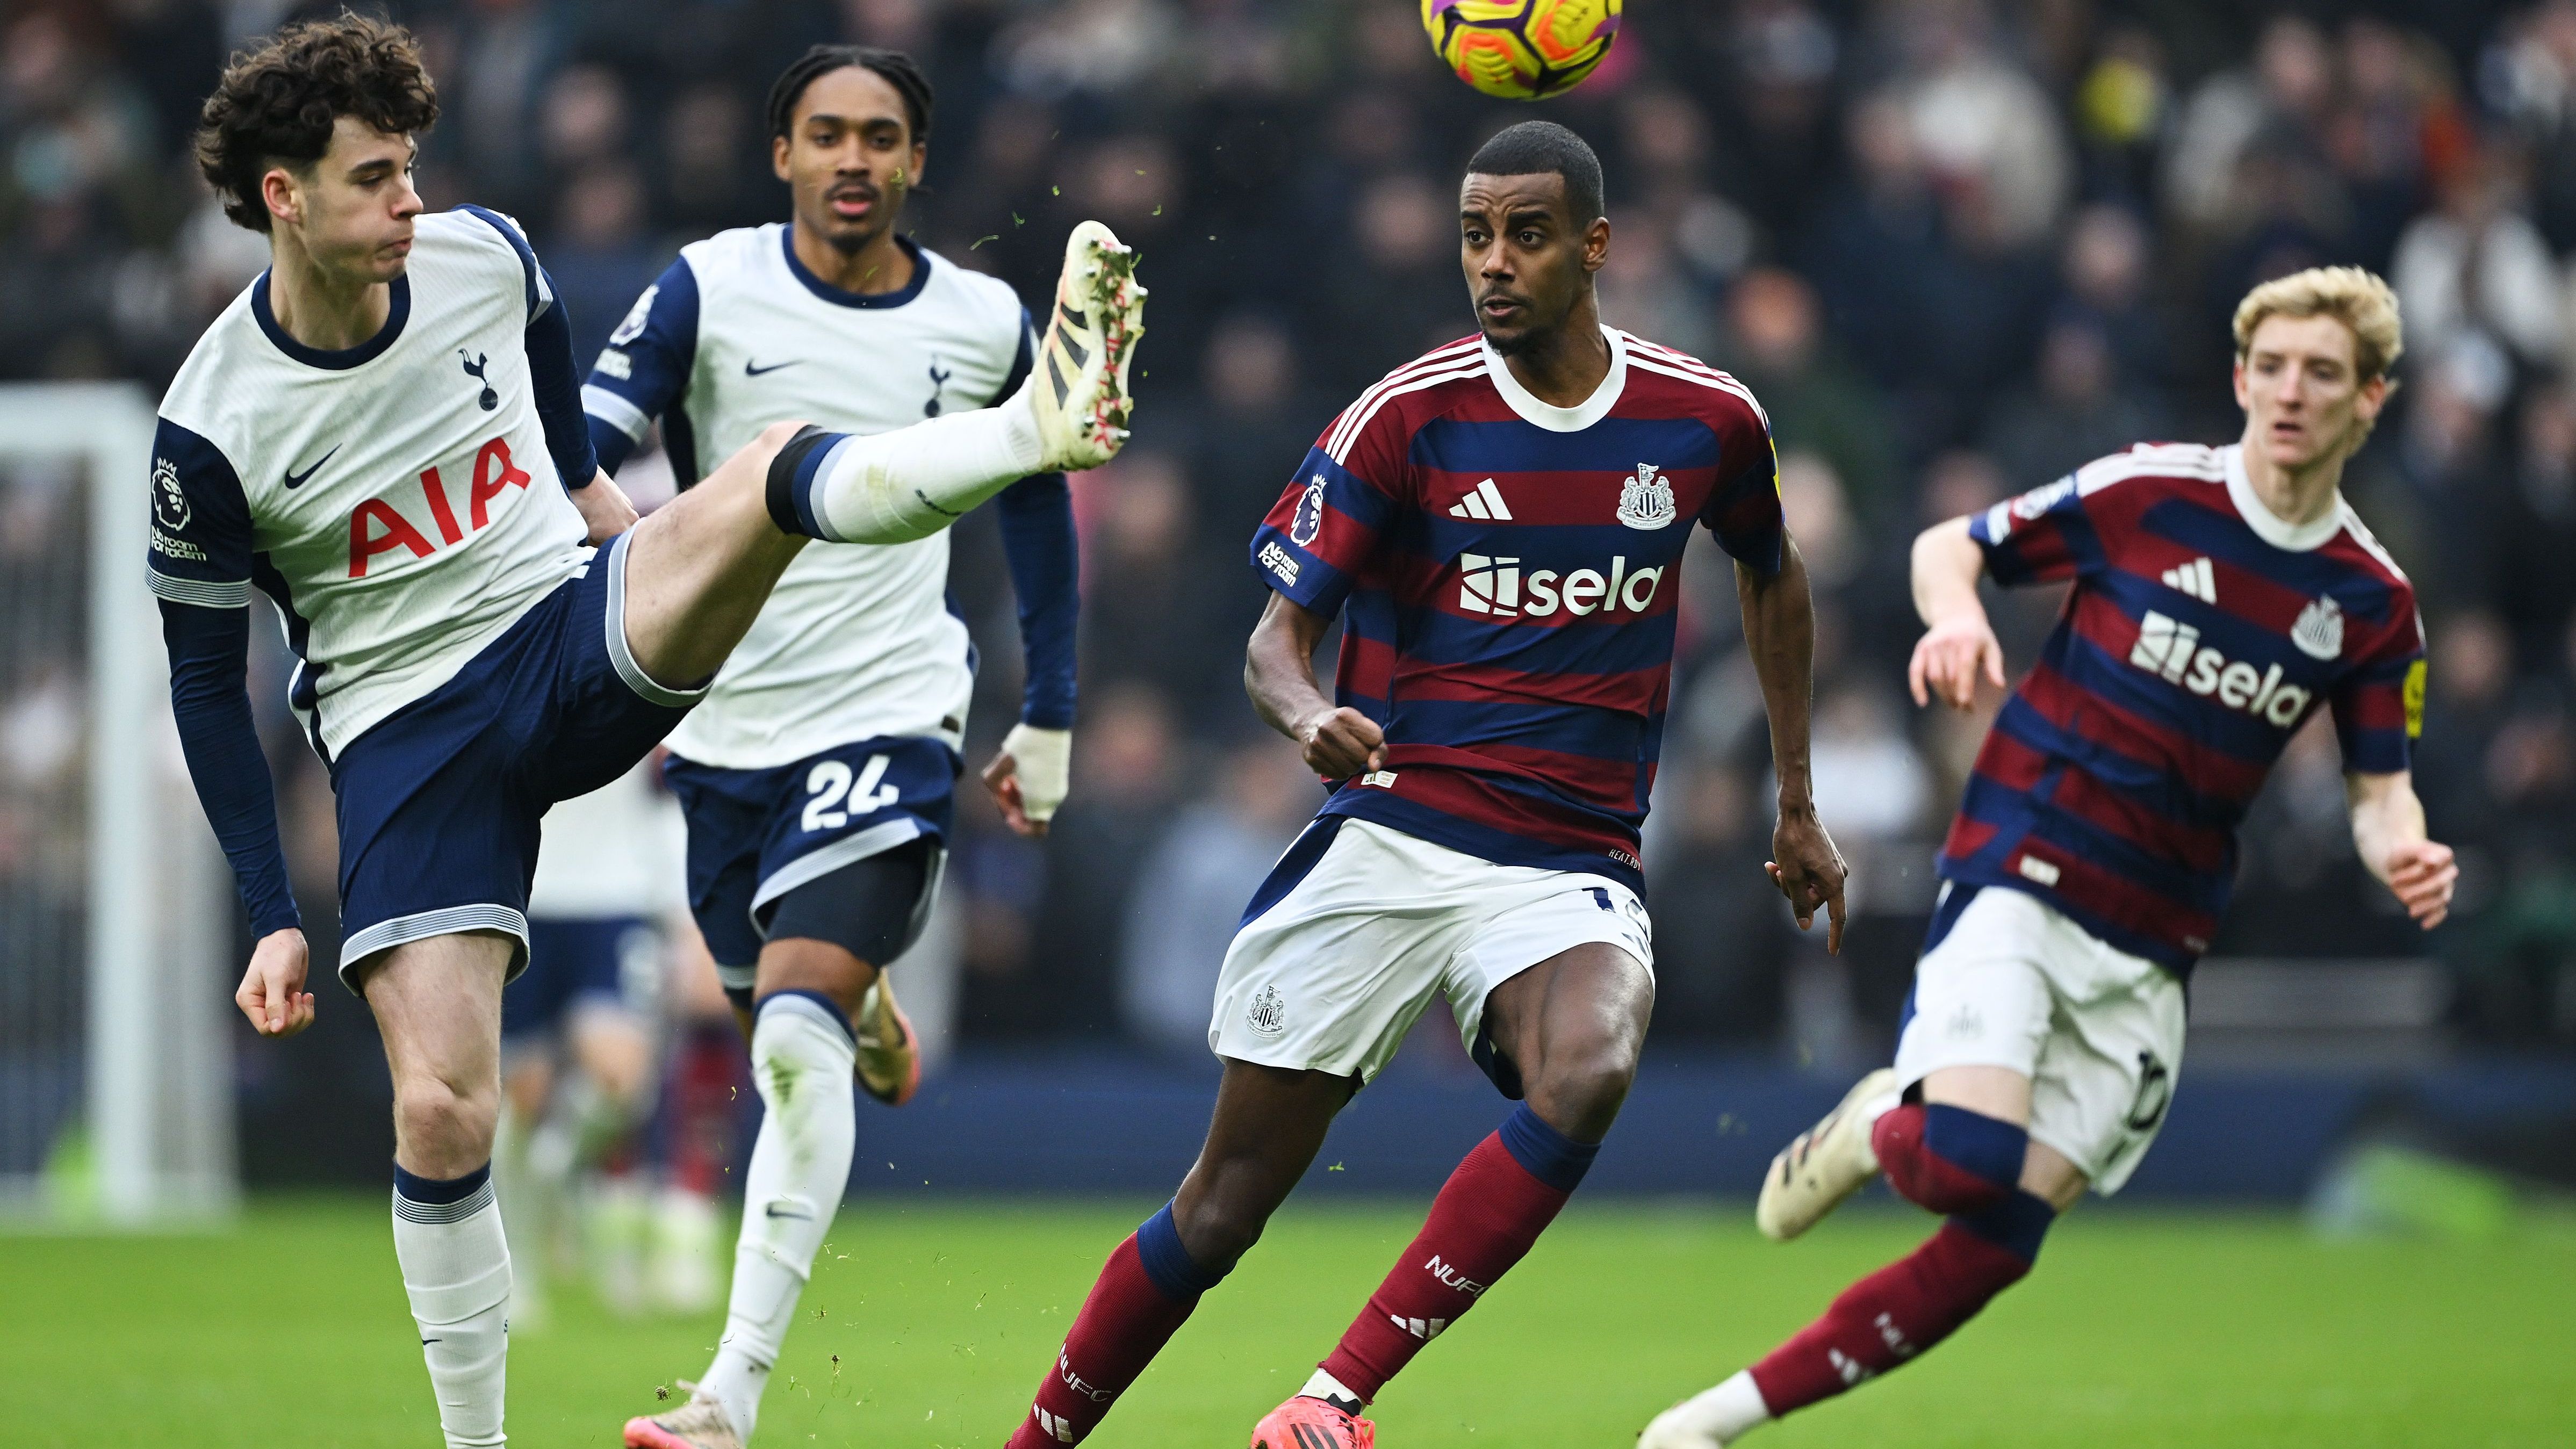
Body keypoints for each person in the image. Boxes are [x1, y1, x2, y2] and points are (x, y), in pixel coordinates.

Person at [150, 18, 1141, 1448]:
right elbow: (202, 684)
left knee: (771, 469)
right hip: (407, 742)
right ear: (281, 197)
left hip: (566, 638)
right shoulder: (210, 430)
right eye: (374, 180)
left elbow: (568, 460)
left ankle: (1039, 421)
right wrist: (266, 911)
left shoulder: (486, 256)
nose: (409, 204)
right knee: (442, 1110)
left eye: (411, 169)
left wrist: (665, 558)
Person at [998, 119, 1848, 1449]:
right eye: (1472, 235)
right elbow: (1273, 640)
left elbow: (1770, 569)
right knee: (1220, 1209)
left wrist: (1793, 801)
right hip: (1396, 828)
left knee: (1590, 1063)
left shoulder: (1703, 418)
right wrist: (1303, 713)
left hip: (1570, 859)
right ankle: (1037, 1440)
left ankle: (1331, 1400)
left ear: (1594, 246)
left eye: (1523, 233)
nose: (1492, 263)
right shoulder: (1407, 413)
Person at [1640, 267, 2457, 1446]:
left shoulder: (2373, 603)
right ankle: (1886, 1120)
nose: (2291, 390)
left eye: (2322, 372)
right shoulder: (2153, 491)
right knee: (1967, 1156)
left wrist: (2408, 845)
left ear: (2369, 398)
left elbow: (2382, 789)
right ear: (2239, 377)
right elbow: (1947, 546)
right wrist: (1962, 617)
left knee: (1996, 1245)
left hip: (2157, 936)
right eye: (2272, 366)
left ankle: (1708, 1421)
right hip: (2025, 860)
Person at [594, 46, 1081, 1449]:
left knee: (792, 1042)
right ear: (782, 154)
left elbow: (1036, 506)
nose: (854, 159)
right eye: (827, 135)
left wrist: (1047, 707)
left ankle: (727, 1395)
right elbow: (590, 438)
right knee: (781, 1019)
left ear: (918, 161)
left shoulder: (985, 320)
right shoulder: (708, 287)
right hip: (723, 729)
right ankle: (855, 998)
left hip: (888, 714)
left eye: (881, 136)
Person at [494, 758, 688, 1328]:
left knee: (624, 1083)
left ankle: (560, 1170)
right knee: (522, 1097)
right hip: (523, 889)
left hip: (614, 892)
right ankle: (519, 1270)